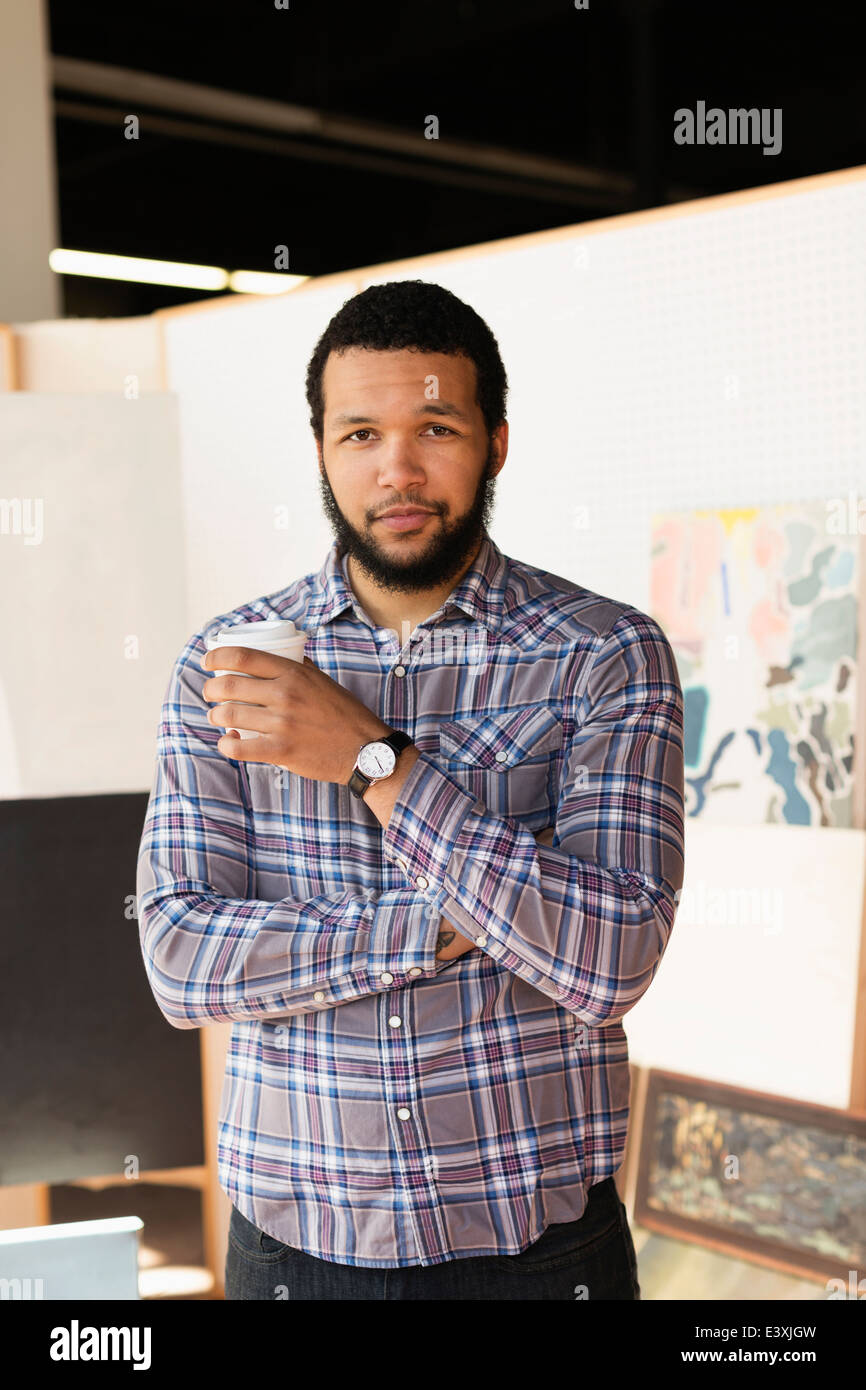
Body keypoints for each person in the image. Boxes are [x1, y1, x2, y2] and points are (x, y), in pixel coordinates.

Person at [136, 279, 685, 1300]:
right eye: (358, 434)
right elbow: (181, 960)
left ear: (494, 442)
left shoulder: (602, 653)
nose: (397, 468)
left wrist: (371, 759)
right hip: (290, 1252)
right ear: (319, 452)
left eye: (434, 425)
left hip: (538, 1255)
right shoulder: (224, 668)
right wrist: (451, 922)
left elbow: (609, 957)